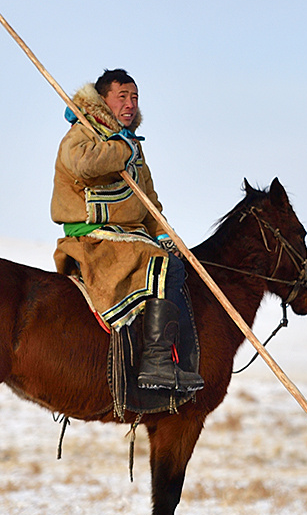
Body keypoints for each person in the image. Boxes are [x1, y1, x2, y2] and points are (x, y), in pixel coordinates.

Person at [51, 68, 204, 412]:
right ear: (103, 99)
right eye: (122, 97)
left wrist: (164, 234)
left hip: (130, 237)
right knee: (164, 270)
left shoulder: (129, 143)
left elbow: (147, 199)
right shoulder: (83, 133)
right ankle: (155, 363)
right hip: (95, 238)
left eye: (135, 97)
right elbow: (83, 165)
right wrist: (122, 148)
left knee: (175, 264)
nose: (131, 104)